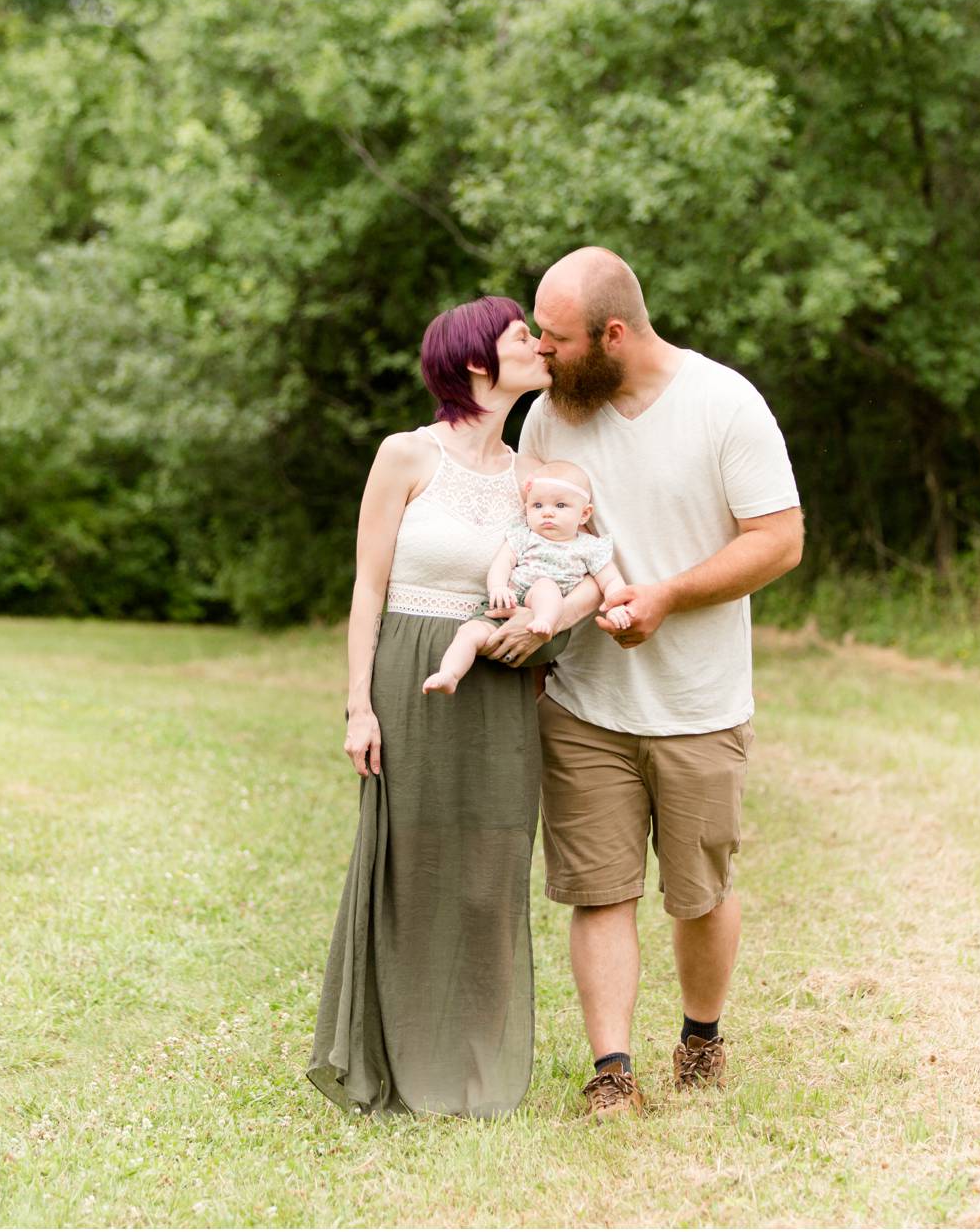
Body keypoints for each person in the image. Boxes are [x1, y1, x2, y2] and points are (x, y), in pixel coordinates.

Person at [486, 246, 805, 1119]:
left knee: (699, 892)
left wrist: (665, 594)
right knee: (600, 886)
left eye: (556, 339)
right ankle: (612, 1070)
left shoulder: (723, 403)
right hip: (586, 703)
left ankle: (701, 1037)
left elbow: (779, 539)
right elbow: (516, 530)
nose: (542, 355)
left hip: (700, 704)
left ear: (614, 333)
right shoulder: (549, 419)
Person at [306, 295, 591, 1117]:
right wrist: (358, 704)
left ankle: (475, 1070)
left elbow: (575, 568)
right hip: (409, 675)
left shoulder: (532, 475)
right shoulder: (406, 455)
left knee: (492, 871)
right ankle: (397, 1061)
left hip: (500, 685)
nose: (539, 346)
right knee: (411, 865)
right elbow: (367, 586)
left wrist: (547, 628)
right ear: (476, 362)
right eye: (520, 338)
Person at [421, 460, 630, 696]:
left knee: (545, 586)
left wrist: (615, 608)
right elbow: (502, 564)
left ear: (584, 514)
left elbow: (611, 581)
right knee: (468, 633)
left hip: (549, 628)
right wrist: (498, 587)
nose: (547, 512)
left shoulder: (589, 548)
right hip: (506, 605)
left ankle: (542, 621)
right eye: (538, 505)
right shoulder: (524, 535)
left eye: (560, 505)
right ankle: (450, 674)